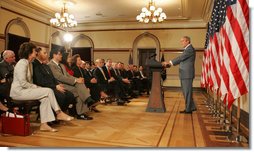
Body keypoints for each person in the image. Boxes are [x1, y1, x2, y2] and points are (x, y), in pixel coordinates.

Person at [10, 42, 73, 132]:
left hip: (26, 90)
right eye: (34, 51)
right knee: (48, 91)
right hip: (18, 92)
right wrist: (37, 87)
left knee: (45, 98)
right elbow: (23, 83)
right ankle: (58, 113)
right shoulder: (22, 63)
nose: (36, 53)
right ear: (29, 52)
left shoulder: (30, 63)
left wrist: (36, 87)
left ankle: (44, 124)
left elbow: (29, 82)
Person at [48, 50, 95, 120]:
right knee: (79, 90)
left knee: (80, 85)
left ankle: (81, 111)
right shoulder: (50, 65)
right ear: (54, 55)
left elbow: (68, 75)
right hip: (60, 85)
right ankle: (87, 101)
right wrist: (76, 80)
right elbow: (59, 77)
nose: (61, 56)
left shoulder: (61, 65)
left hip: (67, 83)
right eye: (59, 54)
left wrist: (77, 79)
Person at [33, 47, 76, 114]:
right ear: (38, 53)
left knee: (70, 95)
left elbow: (52, 78)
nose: (46, 54)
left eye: (46, 53)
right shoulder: (35, 64)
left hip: (52, 86)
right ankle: (53, 115)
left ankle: (60, 112)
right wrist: (55, 86)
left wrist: (57, 85)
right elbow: (40, 81)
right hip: (43, 87)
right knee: (62, 96)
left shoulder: (45, 65)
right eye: (44, 53)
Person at [165, 36, 196, 114]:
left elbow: (181, 57)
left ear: (187, 41)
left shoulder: (189, 49)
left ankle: (188, 109)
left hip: (187, 74)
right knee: (186, 92)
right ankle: (191, 107)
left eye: (182, 41)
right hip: (185, 74)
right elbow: (182, 59)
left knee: (187, 92)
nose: (181, 42)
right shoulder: (187, 49)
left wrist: (170, 62)